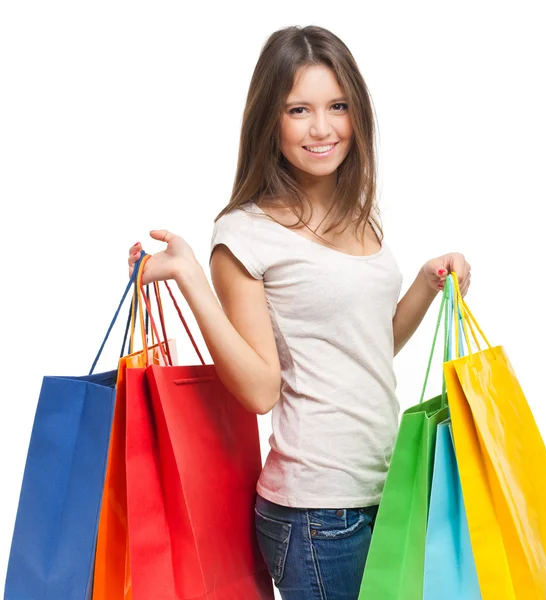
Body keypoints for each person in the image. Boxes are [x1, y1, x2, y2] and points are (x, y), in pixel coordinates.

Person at [127, 24, 471, 600]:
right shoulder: (245, 235)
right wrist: (191, 277)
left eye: (337, 106)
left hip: (391, 488)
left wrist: (427, 281)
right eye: (299, 109)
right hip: (318, 513)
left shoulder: (362, 217)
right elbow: (260, 390)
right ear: (271, 121)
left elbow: (367, 346)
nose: (322, 128)